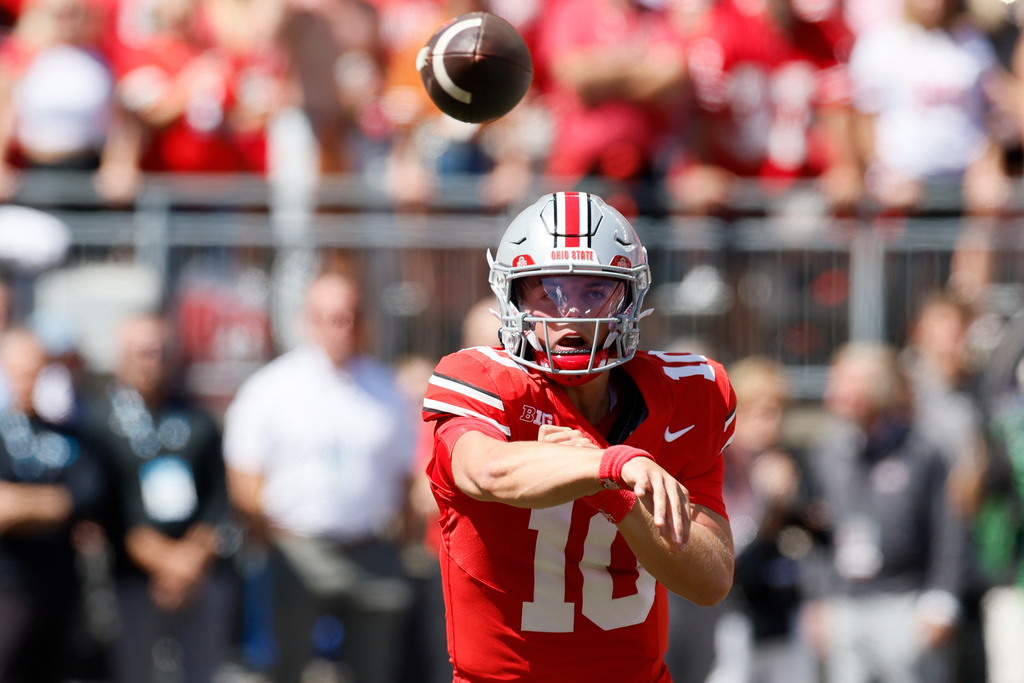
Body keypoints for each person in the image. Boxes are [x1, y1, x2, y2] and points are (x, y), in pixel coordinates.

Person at [421, 191, 737, 681]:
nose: (571, 313)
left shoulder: (688, 394)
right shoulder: (483, 379)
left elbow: (710, 579)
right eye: (548, 292)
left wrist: (614, 493)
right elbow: (484, 470)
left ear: (630, 299)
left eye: (595, 291)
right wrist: (611, 465)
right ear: (512, 297)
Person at [223, 270, 416, 683]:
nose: (341, 327)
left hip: (369, 546)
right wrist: (267, 538)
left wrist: (400, 538)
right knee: (286, 666)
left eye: (350, 316)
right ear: (308, 321)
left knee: (378, 666)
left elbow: (406, 475)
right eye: (331, 317)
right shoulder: (273, 387)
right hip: (297, 549)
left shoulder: (385, 388)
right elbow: (243, 473)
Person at [801, 342, 969, 683]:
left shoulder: (921, 451)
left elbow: (949, 529)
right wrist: (816, 599)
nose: (833, 392)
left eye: (846, 382)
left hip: (905, 603)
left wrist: (942, 601)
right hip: (844, 606)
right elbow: (812, 532)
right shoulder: (827, 451)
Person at [84, 312, 235, 683]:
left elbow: (220, 498)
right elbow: (103, 504)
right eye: (143, 352)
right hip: (135, 576)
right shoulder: (101, 423)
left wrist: (189, 561)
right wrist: (160, 560)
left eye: (161, 351)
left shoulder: (196, 419)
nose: (153, 361)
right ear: (122, 356)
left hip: (200, 572)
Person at [0, 328, 107, 683]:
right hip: (8, 587)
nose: (31, 379)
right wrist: (48, 504)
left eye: (39, 369)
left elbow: (82, 499)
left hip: (59, 587)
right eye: (21, 369)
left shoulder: (72, 434)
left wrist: (21, 503)